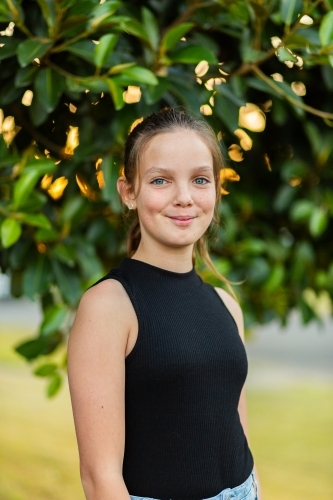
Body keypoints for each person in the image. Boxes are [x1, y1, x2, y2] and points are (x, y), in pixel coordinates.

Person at [67, 108, 260, 500]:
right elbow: (99, 478)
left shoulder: (225, 303)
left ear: (216, 189)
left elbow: (237, 430)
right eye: (160, 180)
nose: (184, 198)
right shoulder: (109, 306)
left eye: (200, 180)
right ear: (128, 192)